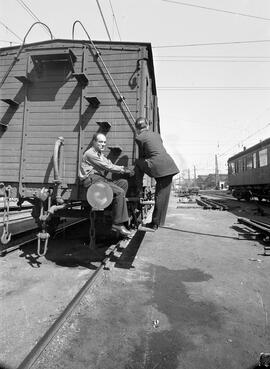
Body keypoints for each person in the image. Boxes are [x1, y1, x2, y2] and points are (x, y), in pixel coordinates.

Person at [79, 133, 132, 238]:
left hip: (99, 178)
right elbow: (107, 167)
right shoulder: (90, 154)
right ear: (94, 142)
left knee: (123, 183)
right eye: (100, 142)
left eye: (104, 142)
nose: (103, 144)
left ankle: (114, 210)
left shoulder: (100, 154)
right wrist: (123, 169)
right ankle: (117, 224)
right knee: (120, 192)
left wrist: (123, 169)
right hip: (92, 179)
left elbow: (110, 164)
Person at [135, 117, 179, 230]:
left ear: (137, 129)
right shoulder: (156, 135)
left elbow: (142, 156)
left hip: (159, 168)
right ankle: (158, 222)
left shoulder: (139, 138)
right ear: (147, 126)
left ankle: (154, 223)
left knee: (137, 162)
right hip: (169, 166)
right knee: (163, 196)